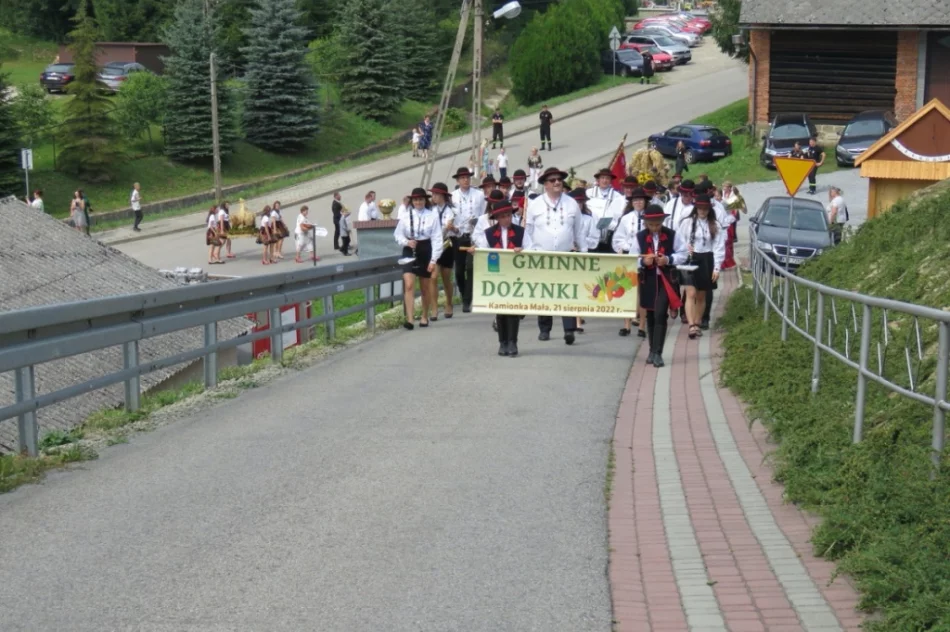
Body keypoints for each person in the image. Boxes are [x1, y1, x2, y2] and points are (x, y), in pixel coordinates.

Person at [524, 166, 588, 345]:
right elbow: (528, 231)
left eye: (559, 179)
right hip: (542, 256)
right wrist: (528, 252)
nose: (557, 182)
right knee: (544, 292)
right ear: (545, 184)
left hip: (565, 256)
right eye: (553, 180)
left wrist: (584, 253)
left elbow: (579, 231)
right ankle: (544, 328)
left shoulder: (571, 203)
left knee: (566, 292)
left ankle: (569, 329)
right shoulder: (535, 204)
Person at [630, 205, 688, 368]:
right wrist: (643, 261)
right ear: (646, 222)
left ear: (662, 221)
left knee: (661, 314)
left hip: (666, 281)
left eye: (657, 224)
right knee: (650, 314)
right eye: (651, 224)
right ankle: (651, 350)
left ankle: (658, 353)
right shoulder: (639, 237)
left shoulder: (672, 235)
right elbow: (631, 258)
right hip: (647, 280)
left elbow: (683, 254)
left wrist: (668, 259)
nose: (654, 227)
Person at [474, 199, 530, 356]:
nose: (507, 219)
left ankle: (513, 342)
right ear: (497, 218)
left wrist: (522, 250)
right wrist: (476, 252)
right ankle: (502, 342)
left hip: (515, 276)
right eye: (503, 216)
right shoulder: (489, 233)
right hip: (496, 276)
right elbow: (483, 251)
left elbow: (532, 248)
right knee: (500, 310)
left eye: (508, 215)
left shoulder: (520, 232)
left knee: (512, 309)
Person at [394, 188, 443, 330]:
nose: (418, 202)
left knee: (425, 286)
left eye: (421, 199)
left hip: (425, 249)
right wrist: (406, 242)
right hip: (410, 249)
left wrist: (433, 260)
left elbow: (437, 239)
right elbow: (398, 235)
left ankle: (424, 316)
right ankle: (409, 319)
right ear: (412, 201)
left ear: (425, 200)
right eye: (415, 200)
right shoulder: (405, 216)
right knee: (409, 284)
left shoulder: (432, 216)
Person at [679, 194, 725, 340]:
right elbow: (679, 241)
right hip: (690, 259)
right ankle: (691, 324)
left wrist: (717, 267)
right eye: (700, 208)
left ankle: (698, 323)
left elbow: (719, 247)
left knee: (701, 295)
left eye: (705, 208)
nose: (702, 211)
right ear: (696, 208)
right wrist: (686, 248)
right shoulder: (687, 222)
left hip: (707, 259)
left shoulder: (715, 225)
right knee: (690, 293)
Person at [613, 187, 651, 338]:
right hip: (630, 257)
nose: (638, 202)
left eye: (641, 200)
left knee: (643, 292)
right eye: (635, 200)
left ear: (645, 201)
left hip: (646, 257)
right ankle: (627, 325)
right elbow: (618, 238)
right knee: (627, 291)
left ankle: (642, 325)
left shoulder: (650, 217)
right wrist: (625, 248)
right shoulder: (626, 218)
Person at [450, 167, 486, 312]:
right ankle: (465, 293)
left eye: (467, 177)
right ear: (458, 180)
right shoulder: (452, 196)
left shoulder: (479, 195)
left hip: (473, 236)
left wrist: (477, 226)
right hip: (459, 235)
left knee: (471, 268)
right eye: (463, 178)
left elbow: (483, 213)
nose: (466, 180)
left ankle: (467, 300)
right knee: (459, 270)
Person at [429, 182, 456, 320]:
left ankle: (449, 303)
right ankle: (434, 308)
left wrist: (449, 228)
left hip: (446, 245)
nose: (433, 196)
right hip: (434, 246)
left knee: (446, 278)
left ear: (443, 196)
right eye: (433, 194)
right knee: (433, 277)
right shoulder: (431, 211)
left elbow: (447, 226)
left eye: (436, 194)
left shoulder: (450, 210)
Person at [586, 167, 627, 253]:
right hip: (589, 234)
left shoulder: (617, 196)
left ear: (611, 180)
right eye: (602, 178)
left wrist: (611, 225)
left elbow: (619, 216)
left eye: (607, 178)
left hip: (608, 235)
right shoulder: (588, 193)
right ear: (598, 180)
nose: (605, 181)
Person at [721, 181, 745, 270]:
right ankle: (725, 261)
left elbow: (735, 210)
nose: (724, 188)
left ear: (729, 187)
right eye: (723, 186)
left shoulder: (733, 196)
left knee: (729, 241)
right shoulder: (723, 194)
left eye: (725, 187)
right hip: (724, 219)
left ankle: (729, 260)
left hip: (730, 220)